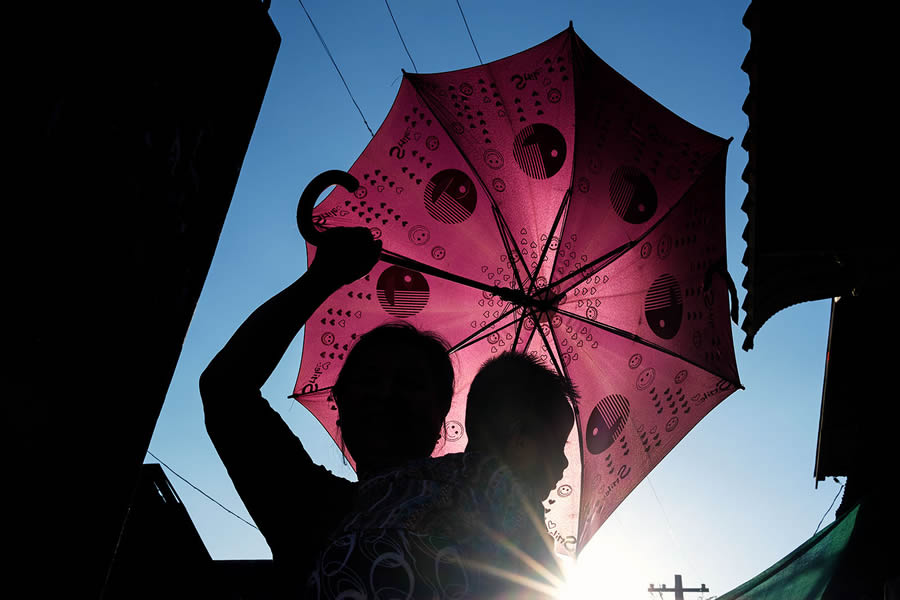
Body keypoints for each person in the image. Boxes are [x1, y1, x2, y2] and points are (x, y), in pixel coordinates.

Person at [199, 226, 455, 595]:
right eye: (369, 379)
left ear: (441, 414)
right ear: (340, 402)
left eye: (410, 383)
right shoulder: (308, 505)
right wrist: (323, 277)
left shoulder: (484, 503)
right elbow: (226, 389)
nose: (386, 394)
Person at [308, 351, 576, 599]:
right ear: (521, 439)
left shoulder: (414, 477)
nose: (563, 463)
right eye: (558, 446)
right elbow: (535, 582)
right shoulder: (512, 493)